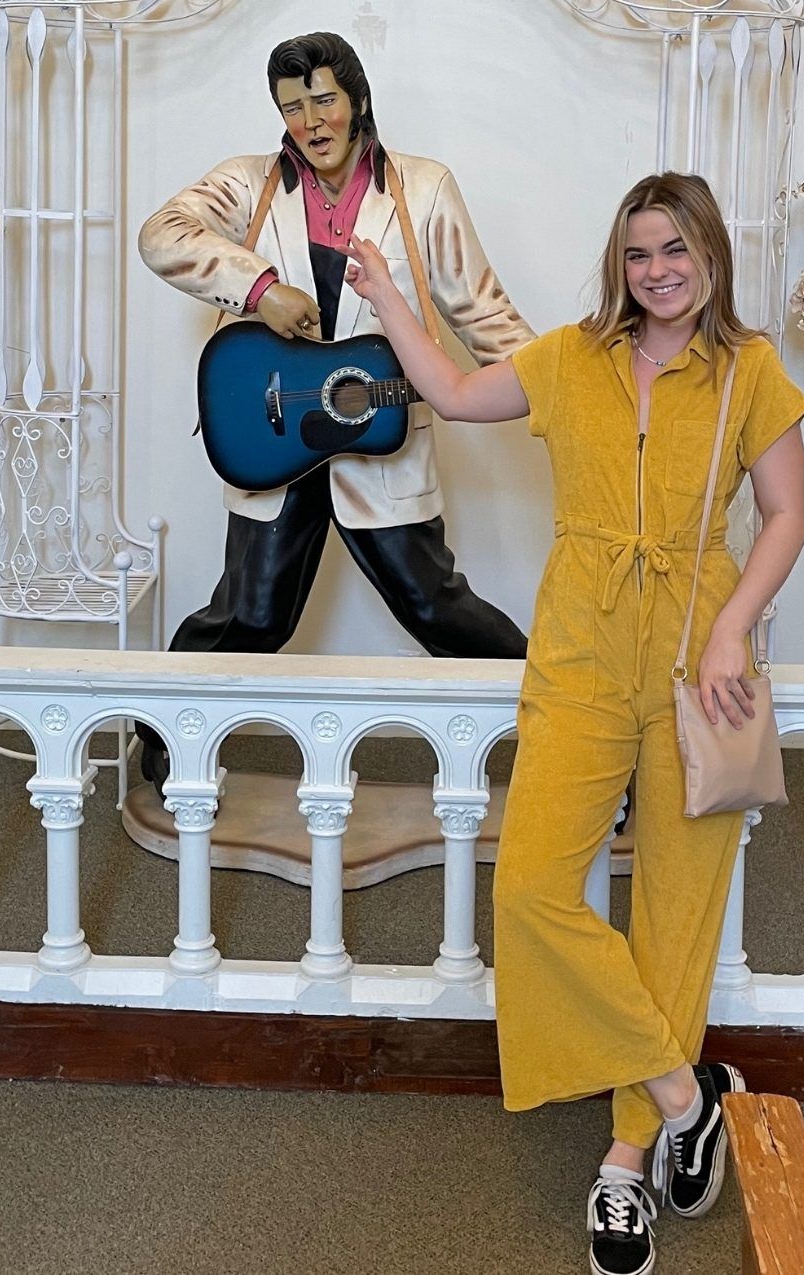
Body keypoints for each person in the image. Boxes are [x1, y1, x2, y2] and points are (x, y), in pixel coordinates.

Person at [343, 171, 804, 1275]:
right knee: (534, 884)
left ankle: (626, 1163)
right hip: (582, 647)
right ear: (622, 263)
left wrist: (737, 627)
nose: (659, 271)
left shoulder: (752, 371)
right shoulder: (569, 357)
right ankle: (687, 1092)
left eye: (678, 250)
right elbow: (453, 394)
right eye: (641, 252)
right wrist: (387, 292)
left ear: (711, 258)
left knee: (678, 910)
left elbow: (787, 515)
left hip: (704, 655)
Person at [134, 31, 533, 790]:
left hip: (383, 447)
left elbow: (484, 313)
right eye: (292, 107)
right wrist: (257, 288)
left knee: (437, 609)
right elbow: (162, 235)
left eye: (322, 99)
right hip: (273, 441)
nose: (310, 120)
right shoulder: (248, 184)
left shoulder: (424, 189)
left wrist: (564, 383)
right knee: (251, 617)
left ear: (355, 99)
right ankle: (163, 742)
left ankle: (566, 734)